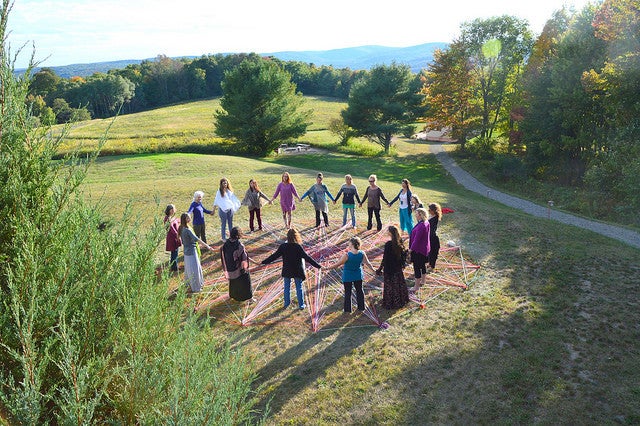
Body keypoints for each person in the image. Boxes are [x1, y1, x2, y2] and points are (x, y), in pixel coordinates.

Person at [261, 227, 321, 310]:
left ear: (287, 236)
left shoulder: (283, 246)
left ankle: (286, 304)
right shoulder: (298, 247)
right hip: (297, 270)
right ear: (296, 236)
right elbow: (307, 258)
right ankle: (301, 305)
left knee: (286, 287)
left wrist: (264, 262)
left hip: (287, 270)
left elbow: (274, 256)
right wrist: (318, 266)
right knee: (299, 287)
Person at [326, 237, 376, 313]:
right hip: (358, 275)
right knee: (359, 291)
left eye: (349, 243)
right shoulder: (362, 253)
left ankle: (347, 309)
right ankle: (361, 307)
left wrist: (326, 268)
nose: (348, 244)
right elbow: (368, 263)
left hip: (348, 276)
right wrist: (374, 271)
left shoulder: (347, 255)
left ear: (352, 244)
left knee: (348, 292)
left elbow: (337, 265)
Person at [376, 225, 410, 309]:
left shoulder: (388, 245)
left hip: (389, 269)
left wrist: (380, 269)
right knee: (398, 284)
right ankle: (401, 300)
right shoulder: (400, 242)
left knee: (390, 285)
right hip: (397, 268)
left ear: (390, 233)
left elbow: (385, 258)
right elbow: (403, 256)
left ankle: (390, 302)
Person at [178, 213, 213, 293]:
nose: (190, 218)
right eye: (189, 218)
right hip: (192, 252)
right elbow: (197, 239)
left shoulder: (181, 228)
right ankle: (196, 287)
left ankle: (188, 284)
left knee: (188, 269)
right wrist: (207, 246)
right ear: (185, 219)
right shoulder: (187, 230)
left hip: (186, 252)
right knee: (195, 269)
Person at [220, 227, 253, 302]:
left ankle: (233, 295)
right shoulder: (239, 245)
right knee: (246, 281)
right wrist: (245, 269)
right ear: (238, 235)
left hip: (230, 270)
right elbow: (244, 259)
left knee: (233, 283)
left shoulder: (225, 244)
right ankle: (249, 298)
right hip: (238, 270)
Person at [408, 208, 431, 293]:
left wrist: (411, 250)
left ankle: (416, 286)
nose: (415, 215)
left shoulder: (421, 226)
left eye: (416, 214)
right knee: (423, 265)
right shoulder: (426, 222)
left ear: (421, 215)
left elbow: (416, 240)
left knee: (417, 267)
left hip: (418, 250)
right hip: (424, 249)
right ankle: (423, 281)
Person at [213, 177, 241, 242]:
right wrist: (213, 210)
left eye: (226, 183)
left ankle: (232, 236)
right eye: (224, 183)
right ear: (221, 184)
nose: (225, 184)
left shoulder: (229, 191)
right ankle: (223, 237)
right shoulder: (219, 192)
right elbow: (216, 201)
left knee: (230, 223)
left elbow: (233, 199)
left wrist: (237, 204)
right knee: (224, 224)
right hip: (223, 210)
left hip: (230, 210)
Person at [164, 204, 181, 272]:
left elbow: (177, 220)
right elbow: (171, 228)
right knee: (174, 252)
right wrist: (177, 235)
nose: (174, 210)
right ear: (170, 210)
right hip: (172, 237)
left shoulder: (171, 217)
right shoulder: (168, 218)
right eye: (173, 209)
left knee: (175, 252)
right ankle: (174, 267)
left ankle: (174, 266)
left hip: (174, 237)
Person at [427, 202, 442, 272]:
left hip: (433, 238)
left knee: (433, 252)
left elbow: (431, 229)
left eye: (430, 210)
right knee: (429, 251)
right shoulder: (431, 216)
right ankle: (430, 263)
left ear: (434, 211)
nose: (428, 211)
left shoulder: (435, 218)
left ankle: (432, 266)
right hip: (429, 237)